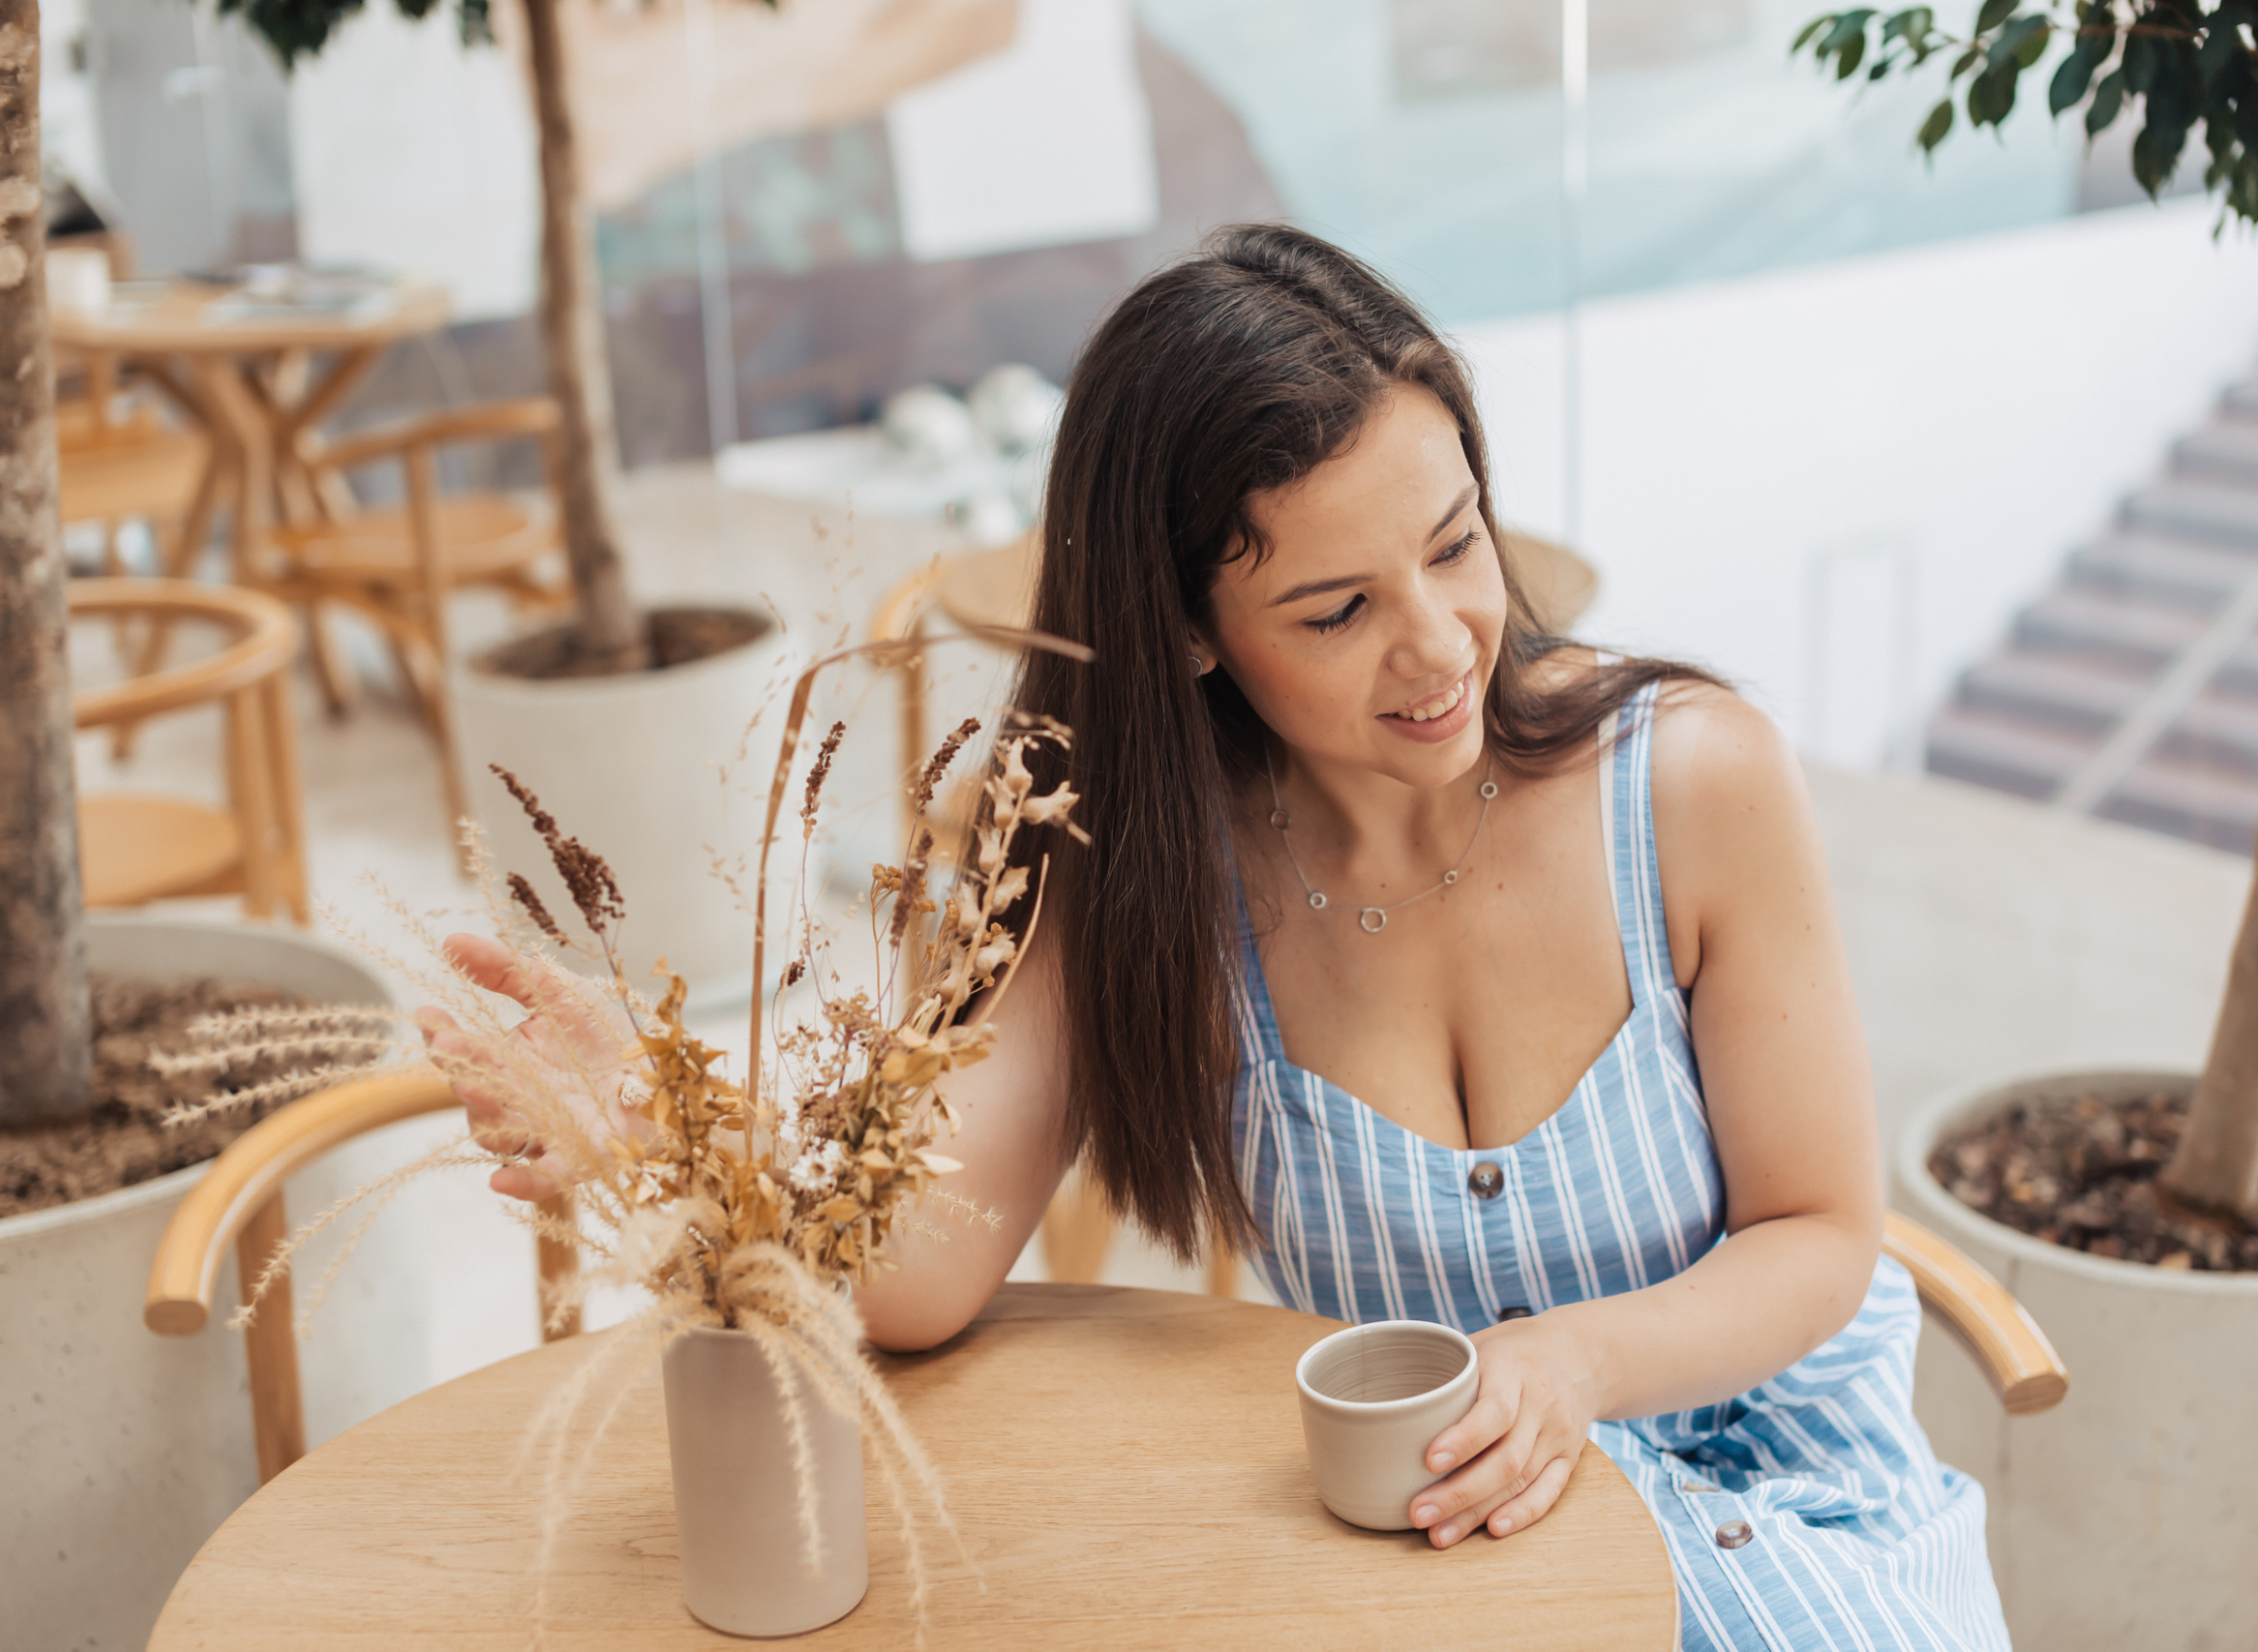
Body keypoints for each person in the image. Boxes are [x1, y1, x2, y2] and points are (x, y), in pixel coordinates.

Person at [427, 224, 2008, 1652]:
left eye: (1457, 545)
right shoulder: (1136, 877)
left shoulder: (1691, 781)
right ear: (1187, 631)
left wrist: (1579, 1366)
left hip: (1801, 1518)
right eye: (1334, 612)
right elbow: (919, 1276)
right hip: (1445, 1563)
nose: (1441, 644)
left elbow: (1818, 1236)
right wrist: (673, 1134)